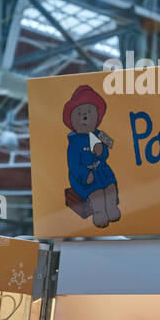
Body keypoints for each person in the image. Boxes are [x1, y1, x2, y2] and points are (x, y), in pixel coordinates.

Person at [63, 85, 120, 228]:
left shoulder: (100, 135)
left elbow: (107, 151)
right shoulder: (75, 142)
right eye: (80, 112)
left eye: (89, 111)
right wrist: (84, 175)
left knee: (111, 187)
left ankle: (112, 208)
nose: (85, 115)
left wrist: (102, 152)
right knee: (97, 194)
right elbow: (74, 164)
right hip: (85, 177)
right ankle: (100, 213)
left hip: (102, 171)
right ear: (72, 121)